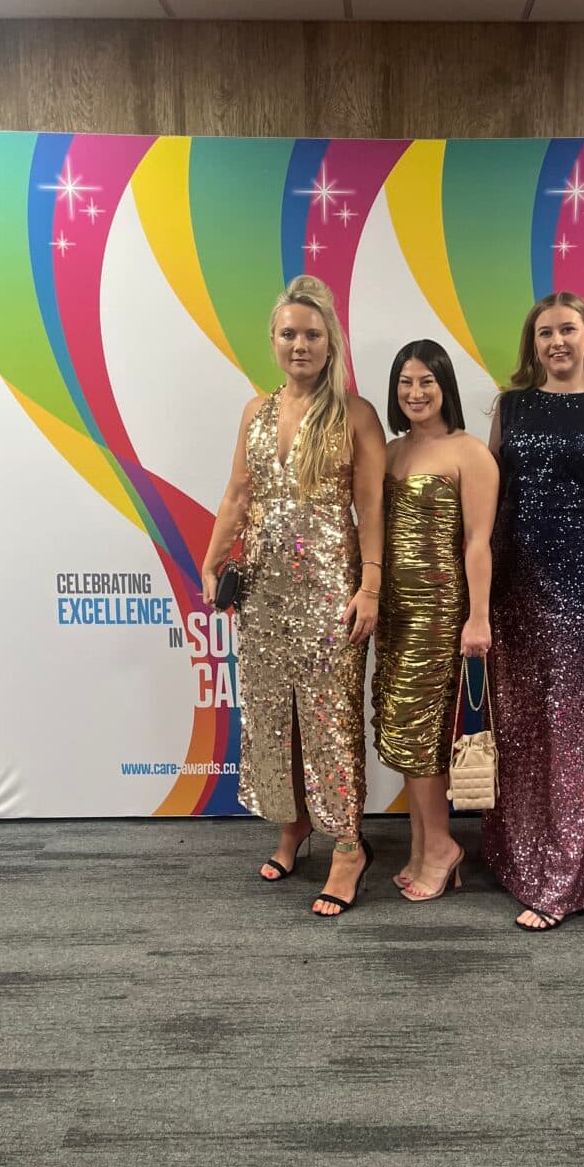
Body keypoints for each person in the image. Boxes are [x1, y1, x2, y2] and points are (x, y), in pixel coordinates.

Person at [201, 275, 386, 918]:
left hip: (331, 593)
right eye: (288, 333)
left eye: (311, 334)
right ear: (274, 340)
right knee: (273, 716)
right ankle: (294, 821)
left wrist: (369, 585)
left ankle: (347, 845)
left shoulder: (356, 415)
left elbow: (370, 508)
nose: (299, 344)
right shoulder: (255, 409)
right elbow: (236, 496)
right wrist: (212, 559)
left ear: (331, 341)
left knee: (330, 720)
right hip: (262, 592)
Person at [482, 291, 584, 932]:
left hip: (583, 589)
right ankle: (517, 858)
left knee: (572, 733)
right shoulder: (512, 405)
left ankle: (568, 877)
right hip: (513, 583)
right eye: (545, 332)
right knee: (519, 727)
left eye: (567, 330)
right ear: (534, 343)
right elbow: (493, 498)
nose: (556, 342)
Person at [372, 340, 499, 903]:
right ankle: (424, 845)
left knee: (420, 732)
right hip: (393, 612)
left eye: (426, 381)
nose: (415, 393)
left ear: (444, 385)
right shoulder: (390, 452)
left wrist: (478, 617)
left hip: (440, 614)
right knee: (401, 729)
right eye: (405, 382)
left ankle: (443, 845)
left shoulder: (469, 452)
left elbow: (478, 544)